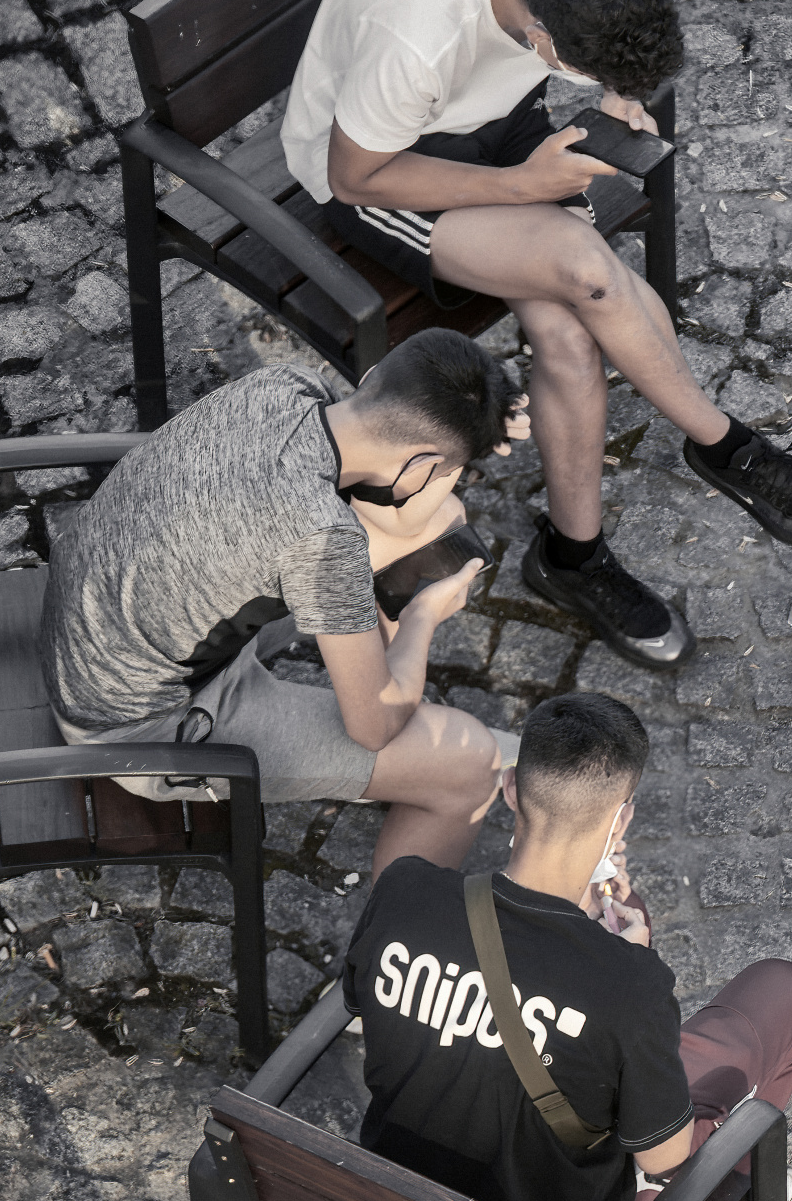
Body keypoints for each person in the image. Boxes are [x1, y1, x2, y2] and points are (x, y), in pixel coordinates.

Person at [281, 0, 792, 667]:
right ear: (541, 36)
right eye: (587, 74)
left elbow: (626, 69)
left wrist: (622, 99)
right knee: (586, 269)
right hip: (388, 170)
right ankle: (725, 445)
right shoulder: (415, 36)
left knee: (567, 333)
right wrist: (519, 186)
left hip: (499, 126)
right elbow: (355, 176)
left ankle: (572, 559)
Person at [346, 692, 792, 1201]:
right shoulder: (629, 984)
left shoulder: (403, 891)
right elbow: (664, 1159)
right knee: (788, 991)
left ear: (511, 788)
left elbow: (391, 1004)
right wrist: (631, 963)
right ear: (620, 819)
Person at [45, 330, 525, 877]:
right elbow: (372, 727)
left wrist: (473, 427)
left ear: (373, 378)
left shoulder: (285, 384)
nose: (446, 482)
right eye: (444, 472)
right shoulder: (320, 536)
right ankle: (425, 812)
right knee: (470, 762)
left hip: (105, 627)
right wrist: (421, 619)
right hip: (140, 726)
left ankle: (391, 724)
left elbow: (392, 510)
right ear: (419, 465)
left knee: (440, 523)